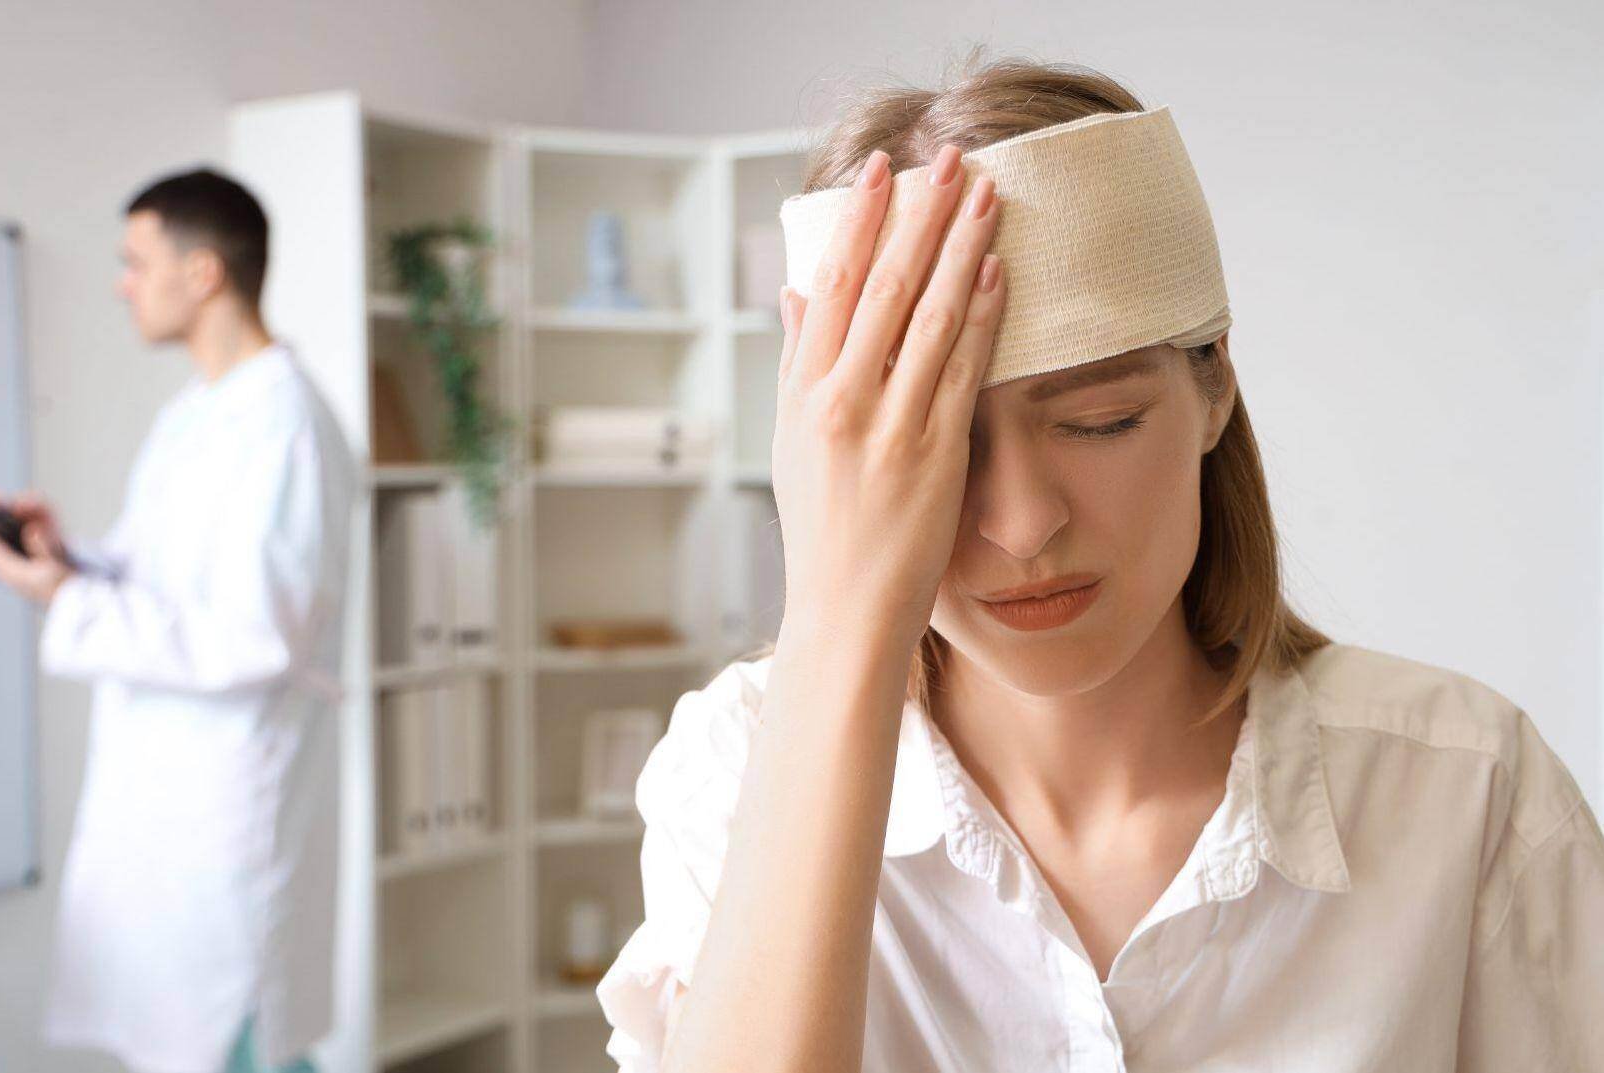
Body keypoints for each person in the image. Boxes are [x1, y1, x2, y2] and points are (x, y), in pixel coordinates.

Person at [594, 54, 1604, 1072]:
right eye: (935, 447)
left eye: (1100, 420)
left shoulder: (1465, 787)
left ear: (1213, 388)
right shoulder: (732, 769)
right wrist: (838, 612)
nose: (1024, 524)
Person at [0, 168, 354, 1073]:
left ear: (202, 272)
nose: (121, 284)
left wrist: (64, 597)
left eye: (136, 262)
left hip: (230, 809)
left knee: (237, 1038)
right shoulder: (194, 414)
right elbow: (165, 579)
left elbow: (256, 635)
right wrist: (70, 558)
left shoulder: (285, 424)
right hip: (166, 805)